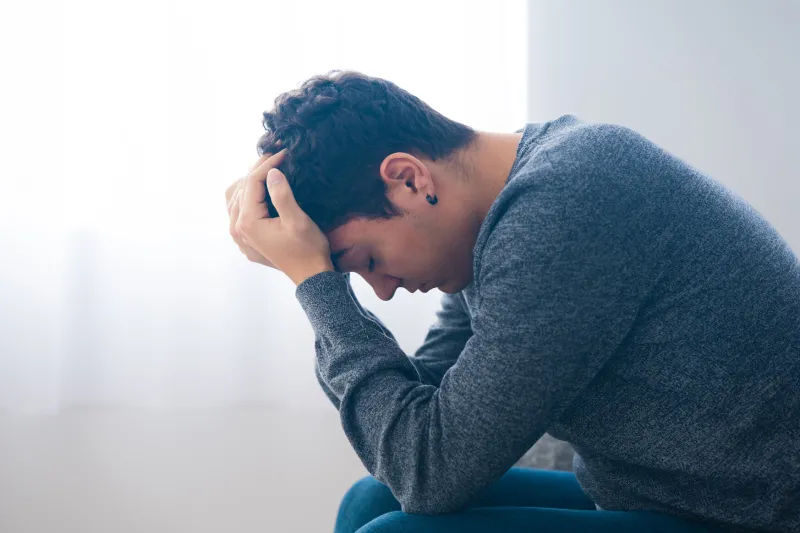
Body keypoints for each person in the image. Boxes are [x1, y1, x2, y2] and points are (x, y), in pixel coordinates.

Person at [224, 70, 800, 533]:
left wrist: (318, 289)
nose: (383, 289)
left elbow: (429, 472)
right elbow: (410, 430)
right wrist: (317, 284)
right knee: (370, 501)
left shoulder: (564, 206)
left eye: (368, 260)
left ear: (407, 179)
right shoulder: (498, 223)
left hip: (743, 517)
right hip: (653, 499)